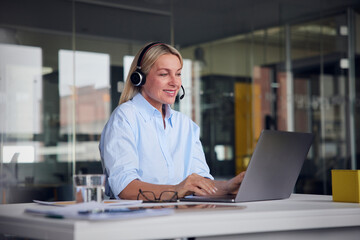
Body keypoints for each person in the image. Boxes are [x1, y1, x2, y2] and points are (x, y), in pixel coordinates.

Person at [99, 42, 245, 200]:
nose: (175, 82)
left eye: (178, 74)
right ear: (139, 78)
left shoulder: (185, 124)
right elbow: (125, 188)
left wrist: (229, 186)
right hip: (137, 221)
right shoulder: (124, 117)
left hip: (179, 218)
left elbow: (201, 185)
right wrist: (176, 189)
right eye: (164, 74)